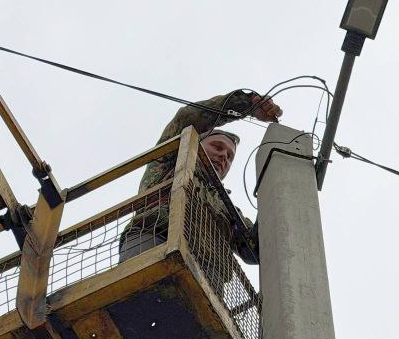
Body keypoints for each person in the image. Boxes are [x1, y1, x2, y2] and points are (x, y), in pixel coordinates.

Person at [117, 88, 282, 264]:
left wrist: (277, 190)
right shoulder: (170, 162)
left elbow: (254, 249)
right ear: (194, 144)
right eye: (217, 147)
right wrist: (247, 104)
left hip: (205, 274)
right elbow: (186, 118)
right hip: (155, 242)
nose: (223, 156)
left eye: (229, 156)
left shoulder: (226, 208)